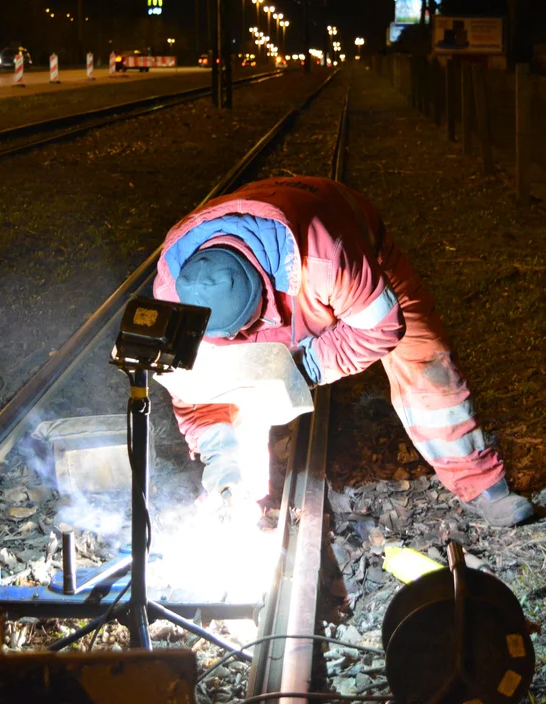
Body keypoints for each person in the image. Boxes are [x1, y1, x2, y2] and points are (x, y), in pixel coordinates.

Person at [153, 176, 534, 527]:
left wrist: (306, 368)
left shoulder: (327, 258)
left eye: (243, 327)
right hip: (259, 223)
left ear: (262, 295)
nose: (239, 337)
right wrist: (222, 454)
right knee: (212, 376)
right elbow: (192, 387)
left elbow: (382, 328)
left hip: (351, 244)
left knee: (424, 361)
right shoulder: (174, 289)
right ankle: (234, 486)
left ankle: (480, 482)